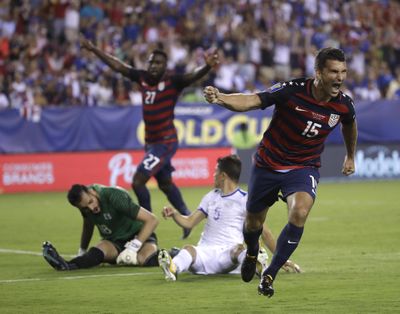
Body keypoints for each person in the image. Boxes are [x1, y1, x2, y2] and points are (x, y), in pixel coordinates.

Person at [203, 47, 357, 297]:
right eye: (333, 72)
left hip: (303, 167)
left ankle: (269, 274)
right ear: (318, 73)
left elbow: (350, 125)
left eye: (343, 72)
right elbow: (253, 100)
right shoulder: (292, 90)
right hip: (268, 164)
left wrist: (350, 155)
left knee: (299, 212)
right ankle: (252, 252)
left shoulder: (343, 105)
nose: (339, 78)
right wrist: (221, 97)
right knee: (253, 222)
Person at [80, 34, 219, 239]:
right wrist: (93, 49)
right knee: (165, 184)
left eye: (158, 62)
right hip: (151, 143)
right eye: (151, 61)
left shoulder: (173, 81)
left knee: (138, 181)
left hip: (165, 141)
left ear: (165, 66)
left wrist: (207, 67)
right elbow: (118, 66)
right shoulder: (142, 77)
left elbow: (192, 77)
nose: (153, 65)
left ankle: (147, 227)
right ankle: (188, 217)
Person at [157, 155, 301, 281]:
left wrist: (281, 259)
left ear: (223, 176)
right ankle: (173, 268)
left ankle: (259, 268)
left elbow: (265, 233)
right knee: (189, 249)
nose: (213, 175)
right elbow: (189, 222)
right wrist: (175, 214)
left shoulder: (245, 200)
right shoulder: (210, 197)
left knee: (239, 249)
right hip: (204, 253)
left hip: (229, 255)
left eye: (215, 172)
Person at [42, 183, 160, 271]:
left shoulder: (114, 196)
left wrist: (134, 246)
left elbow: (152, 220)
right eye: (85, 208)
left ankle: (173, 254)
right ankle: (66, 265)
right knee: (96, 253)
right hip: (114, 242)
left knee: (144, 260)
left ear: (91, 191)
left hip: (139, 235)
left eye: (91, 202)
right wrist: (82, 250)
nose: (91, 208)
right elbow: (88, 226)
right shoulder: (85, 207)